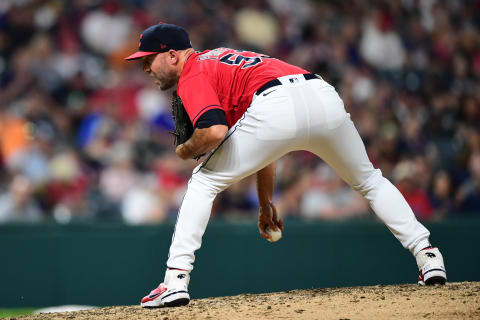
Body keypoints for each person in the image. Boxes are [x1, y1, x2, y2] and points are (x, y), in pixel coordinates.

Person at [125, 23, 447, 308]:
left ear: (172, 56)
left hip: (274, 105)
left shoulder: (193, 72)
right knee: (370, 181)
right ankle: (429, 256)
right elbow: (263, 142)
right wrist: (265, 203)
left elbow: (214, 132)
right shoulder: (219, 60)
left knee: (203, 182)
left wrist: (185, 150)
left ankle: (175, 281)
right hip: (319, 94)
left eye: (147, 59)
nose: (145, 69)